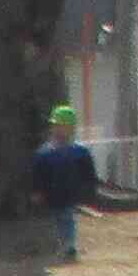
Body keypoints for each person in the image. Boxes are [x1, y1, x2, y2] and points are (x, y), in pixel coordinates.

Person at [34, 105, 100, 259]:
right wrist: (37, 191)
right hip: (52, 194)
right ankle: (63, 245)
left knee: (67, 218)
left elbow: (89, 174)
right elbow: (38, 175)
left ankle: (69, 246)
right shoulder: (44, 153)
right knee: (57, 220)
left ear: (71, 128)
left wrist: (90, 189)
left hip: (70, 193)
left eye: (61, 126)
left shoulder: (80, 152)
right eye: (55, 125)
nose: (57, 129)